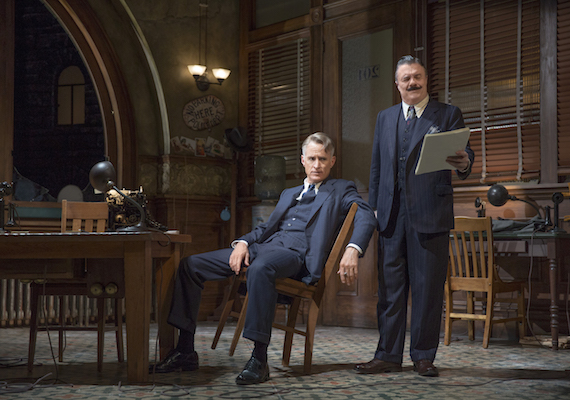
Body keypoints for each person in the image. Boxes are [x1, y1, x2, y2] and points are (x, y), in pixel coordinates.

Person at [152, 132, 377, 385]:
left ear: (332, 161)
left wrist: (353, 248)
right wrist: (243, 243)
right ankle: (185, 350)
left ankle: (259, 359)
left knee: (260, 268)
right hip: (264, 247)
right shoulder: (288, 193)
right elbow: (265, 229)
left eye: (323, 159)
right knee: (191, 265)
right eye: (312, 158)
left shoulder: (340, 189)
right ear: (302, 160)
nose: (317, 165)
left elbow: (366, 215)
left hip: (296, 255)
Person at [355, 55, 475, 377]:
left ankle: (423, 356)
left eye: (417, 76)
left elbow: (465, 157)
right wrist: (376, 209)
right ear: (397, 84)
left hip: (430, 213)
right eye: (406, 78)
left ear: (425, 79)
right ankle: (387, 356)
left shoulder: (448, 113)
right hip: (391, 216)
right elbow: (377, 168)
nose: (412, 82)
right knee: (390, 291)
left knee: (427, 289)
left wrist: (464, 162)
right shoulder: (385, 117)